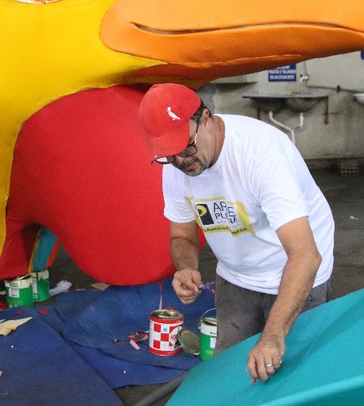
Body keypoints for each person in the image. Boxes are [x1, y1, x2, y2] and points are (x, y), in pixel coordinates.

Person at [138, 83, 335, 383]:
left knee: (295, 378)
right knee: (232, 376)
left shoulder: (260, 154)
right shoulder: (176, 167)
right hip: (237, 276)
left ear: (205, 118)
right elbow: (182, 235)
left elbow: (306, 256)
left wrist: (273, 336)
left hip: (295, 270)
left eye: (185, 147)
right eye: (168, 155)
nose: (180, 161)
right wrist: (186, 267)